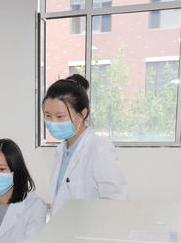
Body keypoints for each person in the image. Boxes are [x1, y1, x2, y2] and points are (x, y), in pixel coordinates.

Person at [43, 74, 128, 217]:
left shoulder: (99, 149)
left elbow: (117, 201)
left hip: (89, 229)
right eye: (48, 115)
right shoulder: (61, 151)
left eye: (60, 116)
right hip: (62, 227)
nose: (53, 122)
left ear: (82, 114)